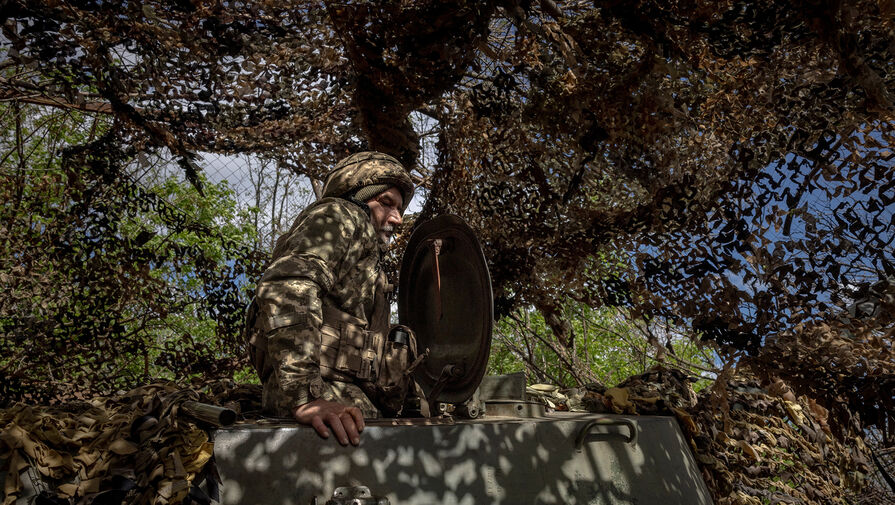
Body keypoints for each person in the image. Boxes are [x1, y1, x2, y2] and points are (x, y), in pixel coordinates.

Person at [244, 151, 417, 447]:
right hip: (325, 406)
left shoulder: (362, 245)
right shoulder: (341, 214)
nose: (397, 218)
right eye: (386, 202)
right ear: (358, 197)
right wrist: (306, 397)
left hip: (338, 404)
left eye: (399, 208)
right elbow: (289, 285)